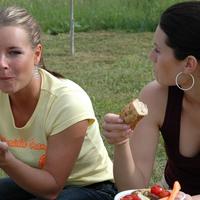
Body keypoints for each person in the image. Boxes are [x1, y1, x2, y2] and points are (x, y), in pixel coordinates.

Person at [0, 6, 117, 200]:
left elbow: (51, 188)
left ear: (37, 54)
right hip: (36, 177)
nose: (2, 63)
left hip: (93, 187)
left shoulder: (67, 101)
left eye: (14, 52)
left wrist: (6, 161)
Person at [103, 1, 200, 200]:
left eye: (157, 49)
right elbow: (131, 187)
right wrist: (121, 142)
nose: (150, 56)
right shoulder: (156, 97)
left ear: (189, 64)